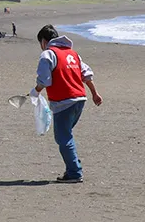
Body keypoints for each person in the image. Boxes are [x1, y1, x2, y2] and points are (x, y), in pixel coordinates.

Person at [34, 24, 102, 183]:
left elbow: (44, 80)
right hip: (80, 99)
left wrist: (35, 91)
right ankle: (73, 165)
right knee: (66, 135)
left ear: (44, 41)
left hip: (64, 101)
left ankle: (74, 172)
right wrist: (94, 94)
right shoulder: (73, 54)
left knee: (63, 137)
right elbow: (87, 75)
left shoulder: (48, 55)